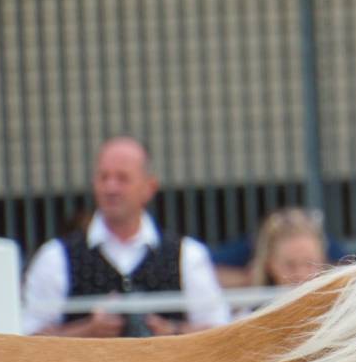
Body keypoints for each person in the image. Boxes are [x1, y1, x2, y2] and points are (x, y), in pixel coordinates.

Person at [20, 137, 232, 337]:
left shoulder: (188, 255)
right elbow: (28, 339)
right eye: (104, 177)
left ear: (149, 187)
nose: (110, 188)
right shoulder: (55, 257)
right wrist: (85, 332)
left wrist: (172, 330)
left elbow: (218, 332)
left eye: (122, 178)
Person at [250, 208, 331, 289]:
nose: (301, 274)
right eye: (290, 265)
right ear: (269, 265)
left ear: (322, 260)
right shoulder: (245, 299)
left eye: (310, 264)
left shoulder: (338, 300)